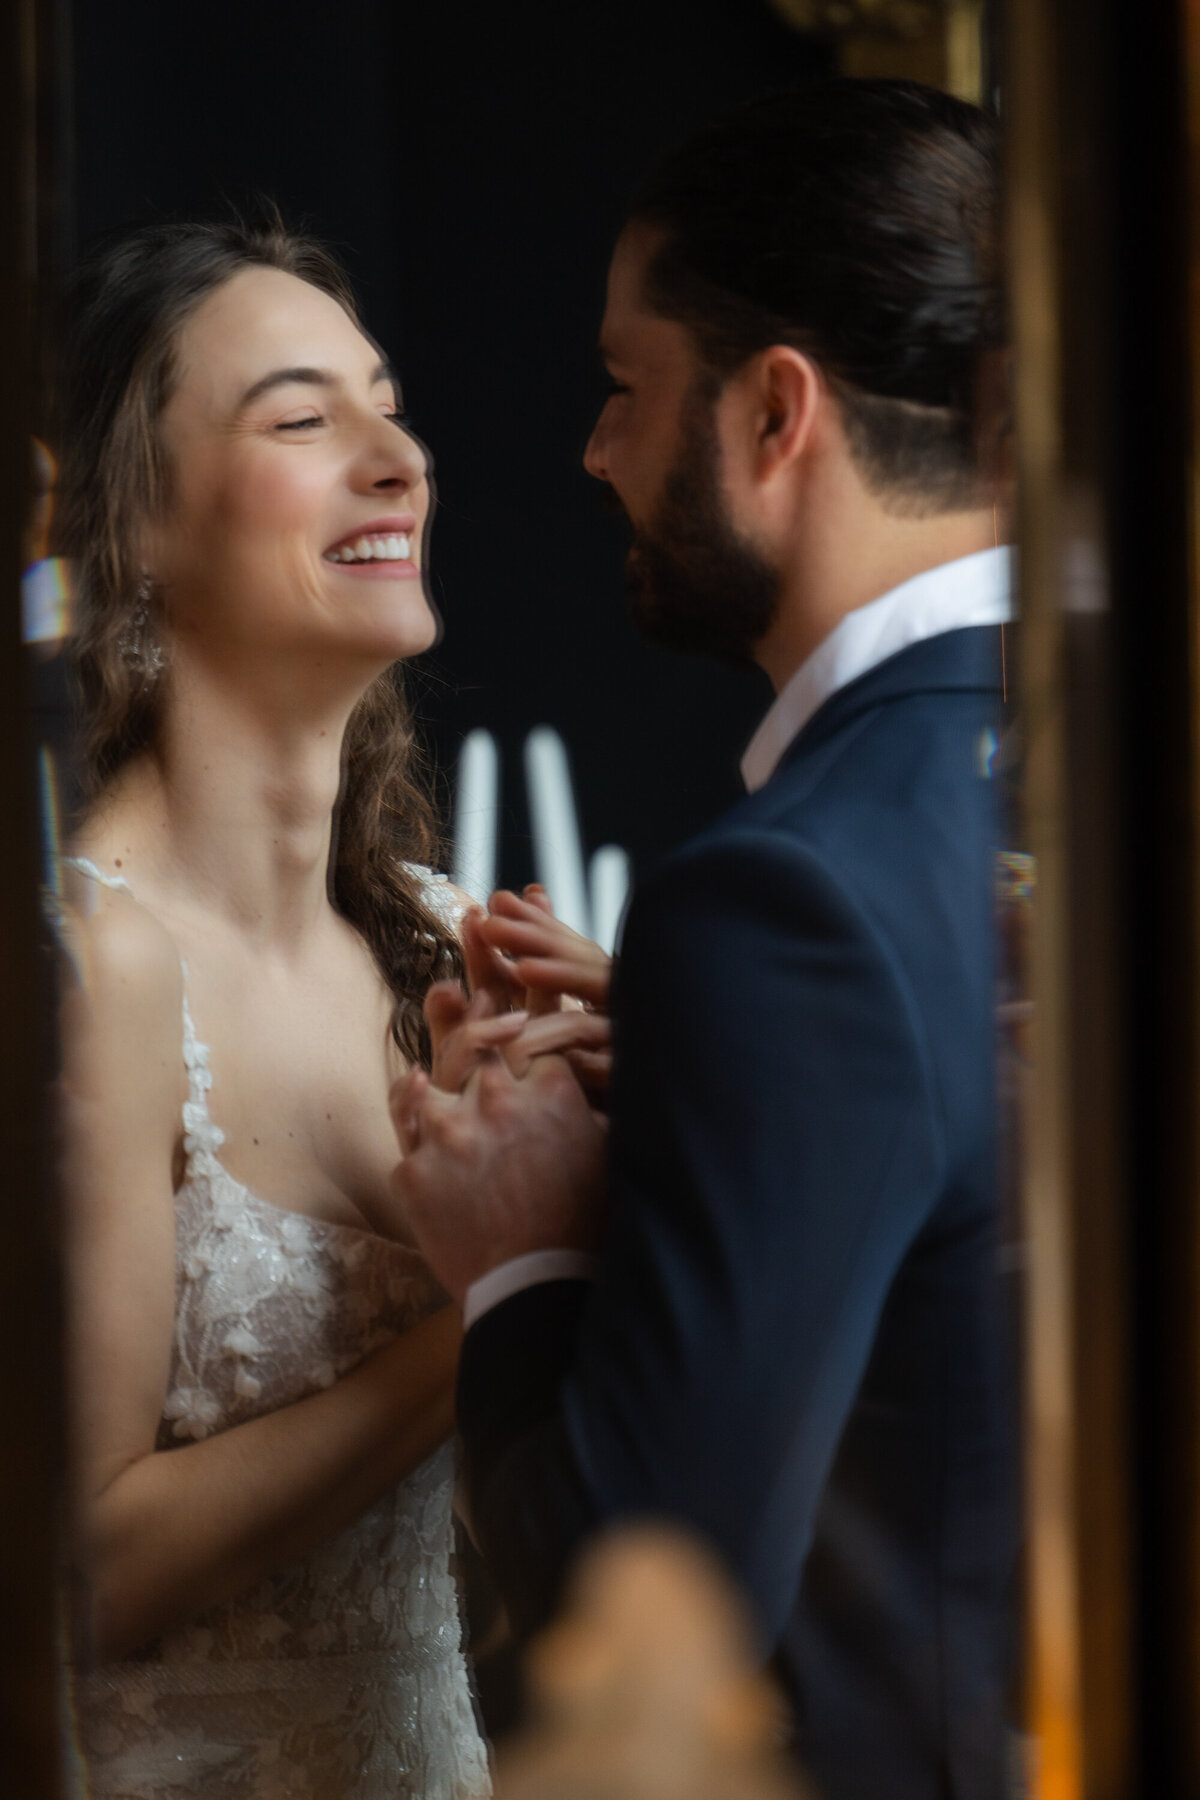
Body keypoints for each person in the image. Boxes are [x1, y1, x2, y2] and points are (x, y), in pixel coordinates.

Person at [383, 80, 1018, 1800]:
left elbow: (655, 1617)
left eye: (625, 385)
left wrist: (524, 1258)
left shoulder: (785, 897)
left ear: (775, 412)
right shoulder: (1089, 765)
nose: (593, 451)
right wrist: (689, 1070)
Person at [50, 214, 557, 1800]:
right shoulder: (86, 964)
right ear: (132, 527)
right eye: (301, 416)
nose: (397, 453)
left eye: (387, 400)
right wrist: (495, 1292)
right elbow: (82, 1577)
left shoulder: (441, 941)